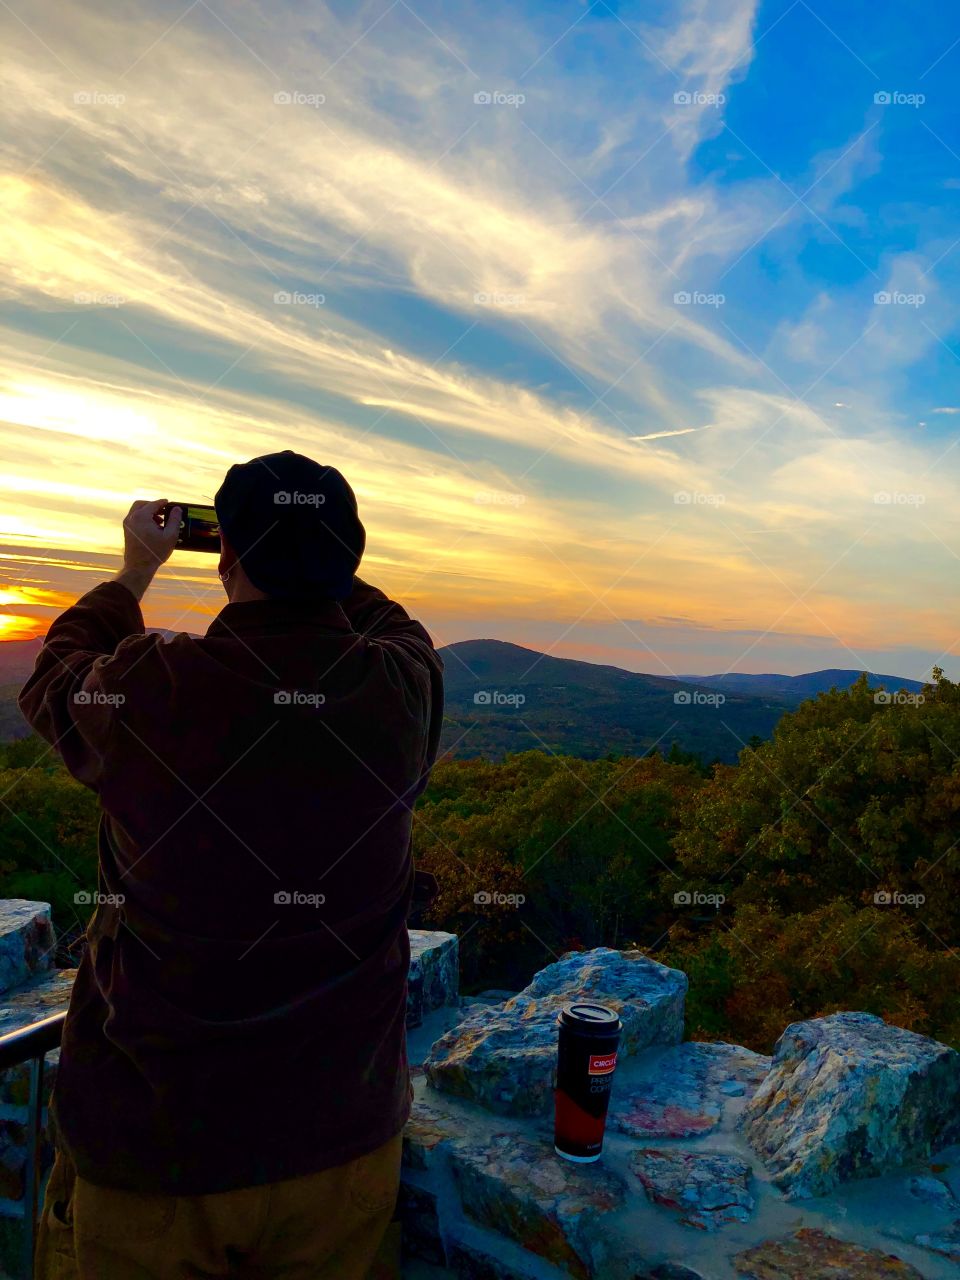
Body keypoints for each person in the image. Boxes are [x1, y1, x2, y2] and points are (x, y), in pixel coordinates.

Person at [18, 450, 444, 1280]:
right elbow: (393, 622)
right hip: (343, 1146)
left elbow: (53, 676)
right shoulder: (401, 688)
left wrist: (137, 568)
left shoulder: (154, 687)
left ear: (226, 559)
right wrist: (310, 560)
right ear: (346, 558)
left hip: (160, 1150)